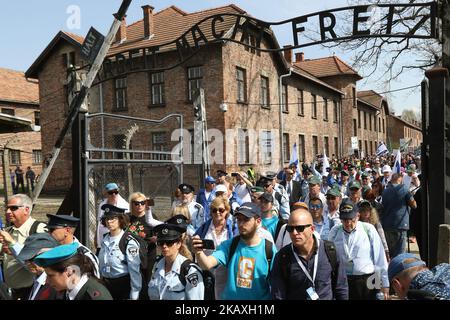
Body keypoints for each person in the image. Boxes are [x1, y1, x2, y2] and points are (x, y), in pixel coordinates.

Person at [192, 202, 277, 300]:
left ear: (258, 221)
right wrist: (198, 252)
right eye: (239, 219)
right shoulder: (229, 245)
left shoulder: (268, 249)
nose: (241, 224)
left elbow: (277, 282)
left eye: (246, 220)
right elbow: (206, 264)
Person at [271, 207, 348, 300]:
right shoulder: (282, 257)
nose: (294, 233)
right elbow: (278, 295)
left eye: (300, 228)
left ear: (312, 229)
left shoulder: (330, 251)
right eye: (290, 228)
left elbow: (341, 289)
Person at [328, 199, 390, 300]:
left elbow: (379, 258)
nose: (348, 224)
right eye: (344, 220)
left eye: (351, 220)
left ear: (357, 216)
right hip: (344, 281)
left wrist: (384, 284)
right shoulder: (334, 232)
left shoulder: (368, 229)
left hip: (368, 279)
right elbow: (330, 258)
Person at [0, 194, 47, 300]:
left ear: (26, 210)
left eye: (13, 208)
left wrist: (12, 244)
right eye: (6, 208)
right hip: (10, 291)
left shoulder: (39, 229)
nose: (8, 212)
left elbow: (39, 266)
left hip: (31, 292)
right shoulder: (8, 231)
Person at [33, 242, 113, 300]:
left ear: (69, 271)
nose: (47, 281)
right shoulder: (66, 291)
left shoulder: (94, 296)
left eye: (50, 276)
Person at [194, 197, 238, 299]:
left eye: (221, 210)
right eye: (214, 210)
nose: (217, 212)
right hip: (206, 272)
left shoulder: (232, 228)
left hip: (226, 273)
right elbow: (194, 246)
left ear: (227, 210)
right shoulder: (204, 228)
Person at [148, 223, 204, 300]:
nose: (164, 246)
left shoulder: (190, 271)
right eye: (161, 243)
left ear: (179, 244)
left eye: (169, 243)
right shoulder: (157, 265)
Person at [98, 204, 142, 300]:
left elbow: (134, 270)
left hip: (123, 286)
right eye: (107, 219)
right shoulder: (105, 239)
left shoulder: (128, 241)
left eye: (113, 218)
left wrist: (134, 294)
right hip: (106, 285)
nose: (109, 221)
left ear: (120, 219)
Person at [46, 214, 100, 278]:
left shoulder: (84, 255)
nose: (49, 233)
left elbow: (93, 283)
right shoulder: (52, 250)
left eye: (52, 230)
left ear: (67, 230)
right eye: (48, 230)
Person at [381, 173, 417, 258]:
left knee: (391, 253)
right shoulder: (404, 188)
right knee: (400, 255)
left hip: (387, 225)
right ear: (400, 179)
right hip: (400, 225)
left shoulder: (385, 191)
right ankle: (399, 271)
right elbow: (414, 205)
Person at [16, 233, 59, 300]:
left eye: (31, 259)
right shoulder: (35, 280)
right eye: (25, 260)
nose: (27, 263)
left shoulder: (57, 286)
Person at [96, 183, 129, 253]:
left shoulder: (124, 205)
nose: (114, 194)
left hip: (116, 241)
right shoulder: (102, 204)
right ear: (106, 193)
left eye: (116, 192)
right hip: (102, 240)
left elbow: (125, 224)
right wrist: (96, 237)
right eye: (111, 192)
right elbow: (99, 222)